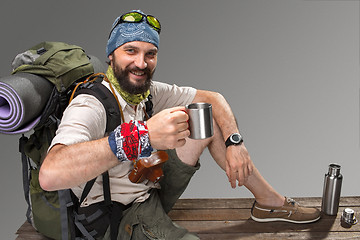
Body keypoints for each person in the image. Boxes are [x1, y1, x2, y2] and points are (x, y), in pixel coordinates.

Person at [39, 10, 320, 240]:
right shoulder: (90, 105)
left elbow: (213, 98)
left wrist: (235, 141)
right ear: (111, 55)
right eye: (130, 51)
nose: (141, 63)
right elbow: (50, 174)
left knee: (204, 115)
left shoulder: (145, 92)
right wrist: (143, 136)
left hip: (149, 185)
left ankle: (268, 202)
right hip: (117, 215)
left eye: (150, 53)